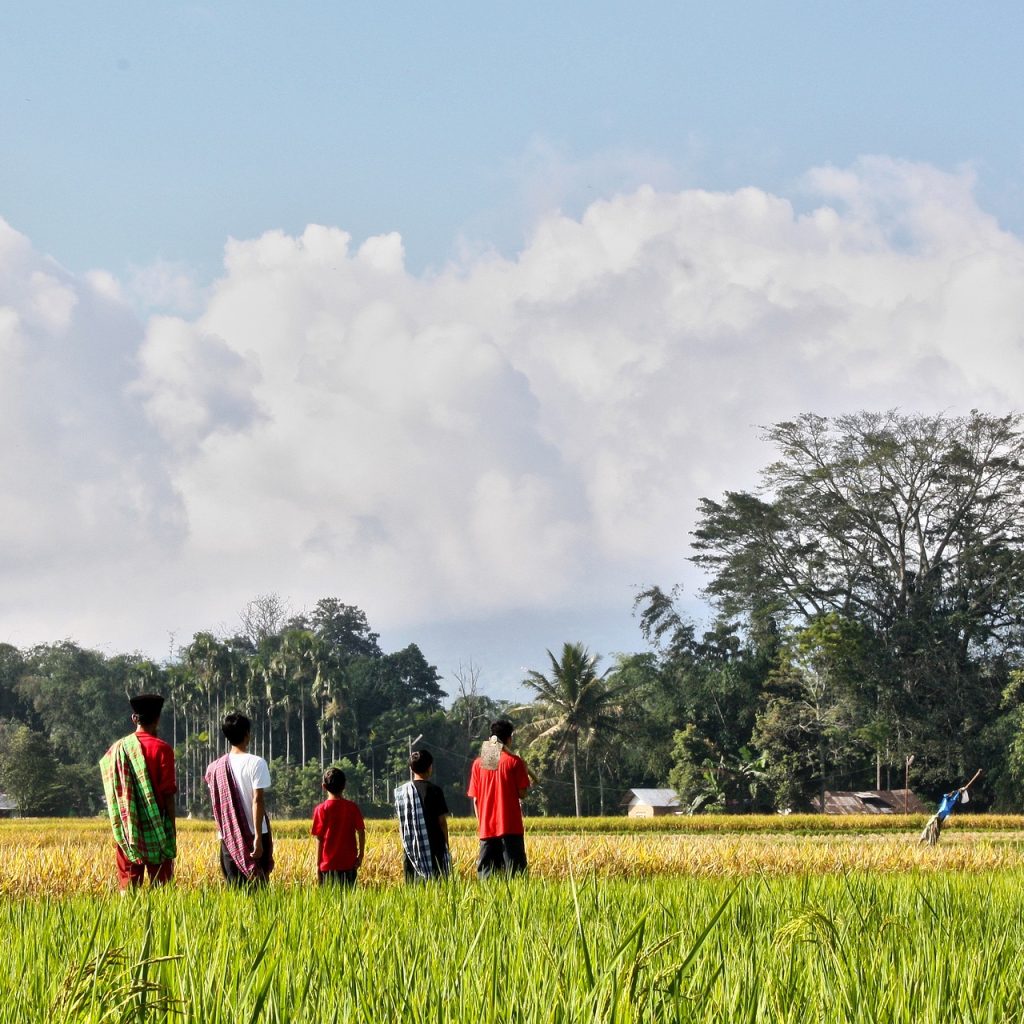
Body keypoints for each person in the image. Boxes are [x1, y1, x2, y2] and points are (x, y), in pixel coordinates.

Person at [100, 692, 177, 890]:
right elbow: (168, 794)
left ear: (134, 718)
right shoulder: (163, 749)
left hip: (128, 828)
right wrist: (171, 828)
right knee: (163, 887)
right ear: (158, 719)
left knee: (128, 887)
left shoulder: (117, 749)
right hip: (157, 826)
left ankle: (127, 919)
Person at [205, 712, 273, 887]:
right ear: (247, 734)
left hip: (229, 838)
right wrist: (258, 838)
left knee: (235, 892)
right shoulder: (257, 763)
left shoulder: (214, 768)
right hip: (256, 834)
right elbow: (257, 800)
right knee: (259, 890)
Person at [467, 719, 530, 878]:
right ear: (509, 738)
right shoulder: (514, 762)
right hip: (510, 829)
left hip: (487, 829)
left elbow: (476, 799)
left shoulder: (480, 763)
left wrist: (482, 823)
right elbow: (522, 793)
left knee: (487, 880)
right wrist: (524, 769)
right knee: (516, 879)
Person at [395, 748, 451, 882]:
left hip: (411, 849)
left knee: (414, 889)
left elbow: (402, 824)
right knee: (437, 885)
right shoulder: (435, 791)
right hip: (434, 847)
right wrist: (446, 845)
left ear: (412, 769)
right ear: (429, 767)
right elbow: (442, 822)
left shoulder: (402, 793)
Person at [311, 766, 365, 887]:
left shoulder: (321, 809)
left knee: (328, 903)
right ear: (344, 785)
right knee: (350, 902)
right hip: (349, 864)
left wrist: (317, 865)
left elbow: (319, 839)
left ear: (324, 787)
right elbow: (361, 831)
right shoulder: (352, 807)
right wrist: (360, 855)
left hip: (327, 865)